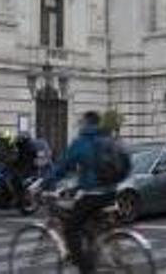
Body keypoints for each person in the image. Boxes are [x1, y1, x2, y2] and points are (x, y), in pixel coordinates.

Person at [42, 111, 127, 274]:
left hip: (93, 195)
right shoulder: (108, 139)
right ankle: (93, 252)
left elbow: (62, 167)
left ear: (87, 124)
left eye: (81, 122)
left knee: (70, 229)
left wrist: (43, 183)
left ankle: (86, 269)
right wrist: (76, 187)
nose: (79, 125)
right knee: (88, 224)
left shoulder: (82, 142)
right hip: (111, 192)